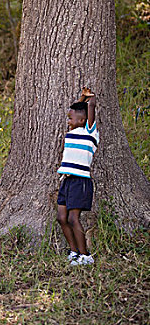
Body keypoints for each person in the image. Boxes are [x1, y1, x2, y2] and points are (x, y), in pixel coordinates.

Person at [56, 87, 98, 266]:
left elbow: (90, 109)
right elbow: (77, 109)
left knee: (74, 218)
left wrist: (90, 98)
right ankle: (74, 251)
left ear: (82, 120)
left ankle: (85, 255)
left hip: (81, 181)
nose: (68, 121)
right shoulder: (72, 133)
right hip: (67, 180)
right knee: (61, 218)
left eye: (70, 118)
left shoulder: (89, 132)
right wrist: (81, 98)